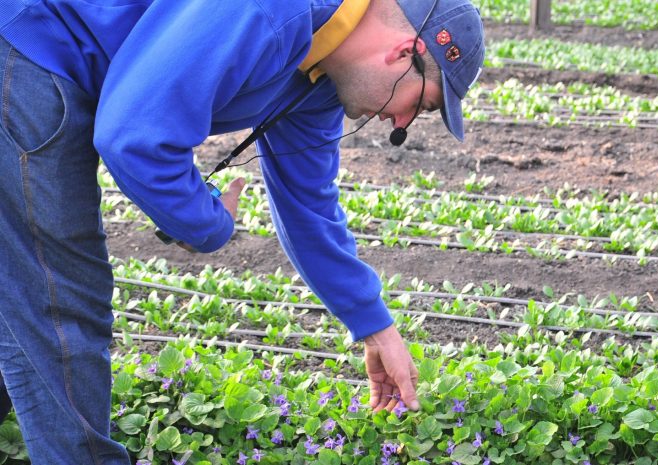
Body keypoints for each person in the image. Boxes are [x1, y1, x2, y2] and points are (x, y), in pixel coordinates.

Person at [0, 0, 484, 462]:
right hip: (28, 44)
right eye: (418, 107)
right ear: (405, 53)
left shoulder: (321, 74)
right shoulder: (271, 9)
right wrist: (205, 223)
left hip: (46, 60)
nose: (399, 123)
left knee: (24, 303)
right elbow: (134, 137)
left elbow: (307, 205)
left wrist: (375, 327)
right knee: (60, 301)